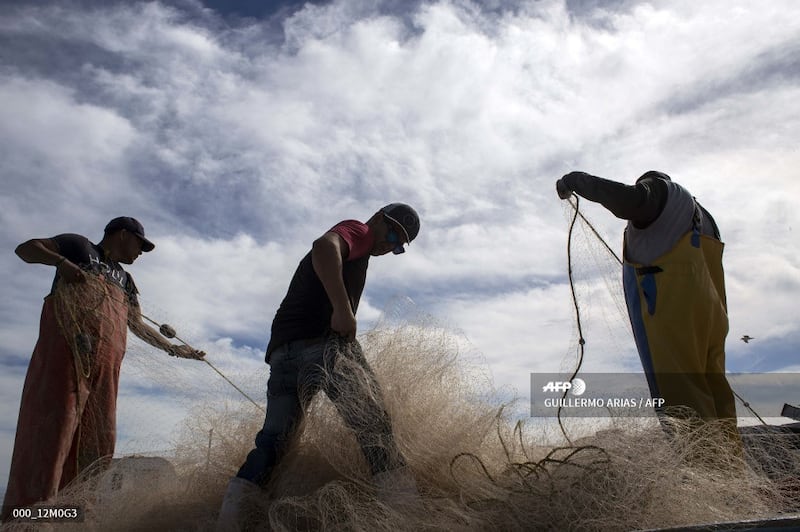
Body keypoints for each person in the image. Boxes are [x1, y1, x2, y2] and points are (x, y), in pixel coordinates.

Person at [218, 203, 422, 528]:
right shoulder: (359, 231)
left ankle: (230, 521)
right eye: (394, 233)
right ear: (380, 219)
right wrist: (343, 308)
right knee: (375, 427)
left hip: (284, 352)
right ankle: (408, 517)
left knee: (274, 442)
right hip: (324, 345)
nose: (390, 245)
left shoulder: (364, 247)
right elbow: (323, 246)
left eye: (399, 246)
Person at [2, 217, 205, 521]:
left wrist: (175, 350)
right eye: (140, 244)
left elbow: (135, 325)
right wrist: (60, 263)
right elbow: (26, 249)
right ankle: (30, 519)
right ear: (123, 235)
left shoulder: (126, 280)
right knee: (51, 435)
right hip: (65, 359)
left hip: (106, 371)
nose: (141, 253)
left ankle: (73, 518)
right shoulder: (79, 247)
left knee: (99, 443)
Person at [555, 171, 741, 451]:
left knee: (679, 396)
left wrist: (575, 181)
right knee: (715, 394)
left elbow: (632, 201)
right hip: (710, 314)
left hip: (672, 309)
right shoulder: (700, 215)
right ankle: (731, 473)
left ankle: (705, 480)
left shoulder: (663, 192)